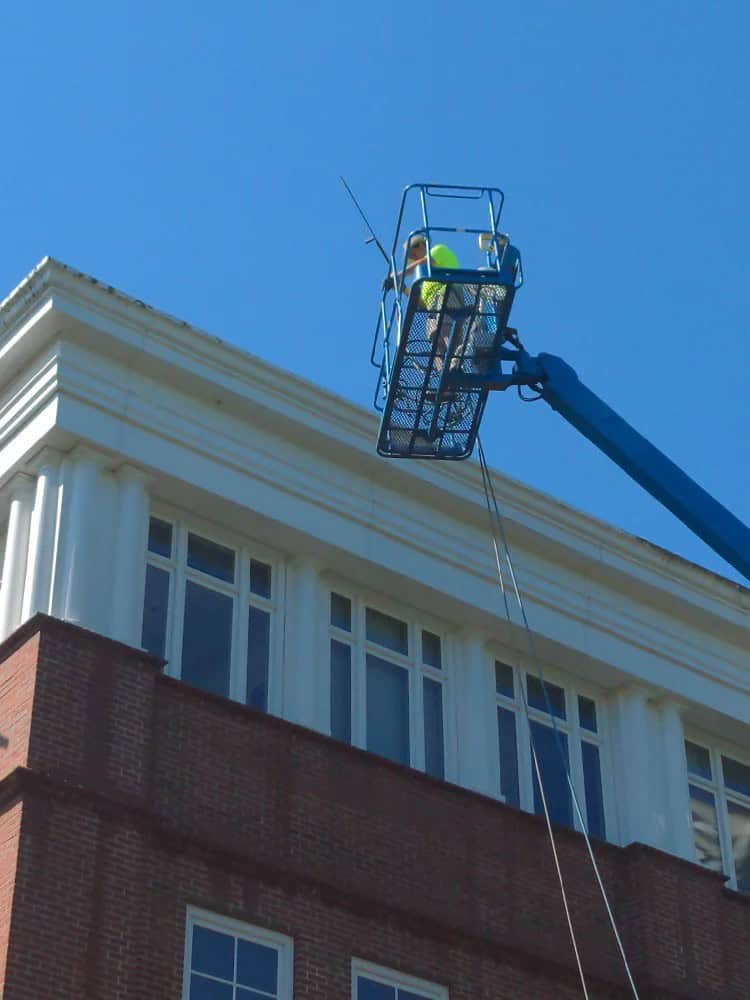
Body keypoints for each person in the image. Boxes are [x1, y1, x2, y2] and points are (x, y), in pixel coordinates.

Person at [382, 235, 462, 370]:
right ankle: (445, 372)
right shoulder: (426, 282)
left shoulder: (438, 250)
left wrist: (396, 276)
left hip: (447, 293)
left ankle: (457, 357)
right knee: (434, 337)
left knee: (444, 325)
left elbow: (424, 262)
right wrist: (404, 289)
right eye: (411, 257)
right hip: (433, 308)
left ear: (422, 245)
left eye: (413, 252)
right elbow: (423, 304)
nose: (413, 258)